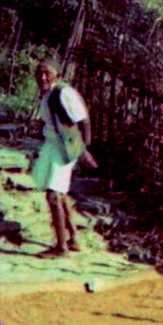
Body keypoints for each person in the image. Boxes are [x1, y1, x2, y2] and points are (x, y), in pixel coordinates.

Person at [31, 57, 97, 257]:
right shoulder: (49, 94)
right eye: (39, 73)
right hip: (54, 146)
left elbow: (84, 121)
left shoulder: (64, 92)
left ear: (58, 75)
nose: (42, 77)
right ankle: (73, 239)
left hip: (65, 148)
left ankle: (61, 248)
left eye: (47, 73)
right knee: (58, 193)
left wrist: (83, 149)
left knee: (53, 195)